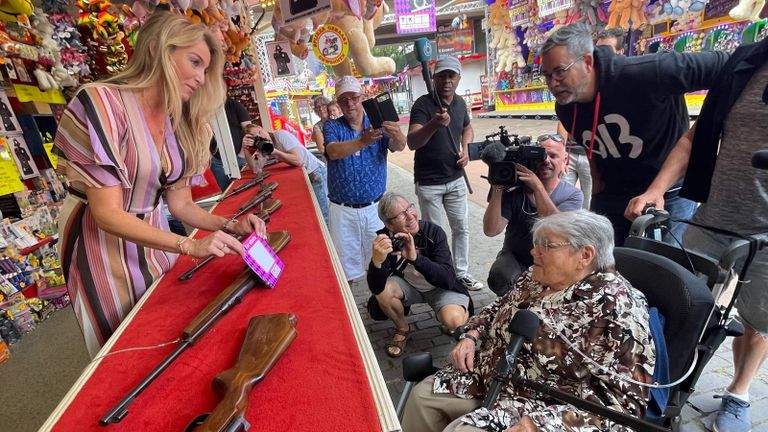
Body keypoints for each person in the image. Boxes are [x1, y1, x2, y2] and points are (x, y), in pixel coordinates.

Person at [55, 12, 266, 357]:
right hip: (99, 243)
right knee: (124, 344)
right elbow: (107, 213)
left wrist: (231, 226)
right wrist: (188, 246)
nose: (200, 78)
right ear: (156, 50)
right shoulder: (100, 102)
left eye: (205, 69)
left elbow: (180, 205)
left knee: (162, 324)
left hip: (153, 232)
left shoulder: (178, 120)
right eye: (195, 62)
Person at [401, 210, 656, 432]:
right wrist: (472, 335)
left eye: (547, 245)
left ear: (585, 255)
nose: (534, 251)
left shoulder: (618, 309)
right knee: (423, 398)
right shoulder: (536, 277)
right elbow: (498, 307)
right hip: (487, 375)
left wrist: (545, 424)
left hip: (541, 404)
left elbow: (625, 410)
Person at [625, 36, 768, 432]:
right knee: (682, 301)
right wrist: (657, 190)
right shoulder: (746, 63)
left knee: (758, 320)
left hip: (767, 233)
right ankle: (661, 383)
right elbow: (694, 138)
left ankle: (738, 392)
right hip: (712, 217)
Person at [540, 23, 727, 244]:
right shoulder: (565, 105)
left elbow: (725, 64)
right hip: (616, 192)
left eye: (560, 71)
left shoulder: (648, 72)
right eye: (546, 75)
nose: (553, 83)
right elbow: (592, 141)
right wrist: (596, 179)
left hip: (667, 192)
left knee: (667, 267)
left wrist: (704, 129)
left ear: (587, 62)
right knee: (607, 260)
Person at [407, 56, 483, 291]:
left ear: (458, 78)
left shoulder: (460, 103)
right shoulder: (422, 104)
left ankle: (460, 273)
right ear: (434, 78)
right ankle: (440, 276)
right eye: (442, 76)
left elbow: (467, 127)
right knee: (434, 233)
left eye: (451, 76)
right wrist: (433, 124)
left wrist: (466, 149)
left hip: (456, 179)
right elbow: (412, 141)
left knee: (461, 227)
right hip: (429, 183)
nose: (447, 81)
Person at [367, 193, 472, 357]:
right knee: (383, 292)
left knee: (454, 322)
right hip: (410, 286)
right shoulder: (386, 241)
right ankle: (402, 328)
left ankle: (465, 319)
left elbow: (448, 278)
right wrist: (376, 263)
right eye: (401, 214)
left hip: (440, 287)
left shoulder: (433, 232)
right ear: (390, 225)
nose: (410, 216)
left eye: (410, 207)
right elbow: (375, 288)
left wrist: (416, 259)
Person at [323, 76, 407, 282]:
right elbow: (332, 152)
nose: (349, 103)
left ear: (362, 97)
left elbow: (399, 146)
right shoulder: (332, 127)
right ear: (338, 103)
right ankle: (348, 310)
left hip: (375, 209)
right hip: (342, 210)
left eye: (353, 97)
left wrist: (396, 134)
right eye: (343, 100)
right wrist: (363, 141)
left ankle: (383, 304)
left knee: (382, 262)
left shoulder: (377, 122)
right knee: (344, 270)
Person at [483, 134, 583, 296]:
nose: (546, 160)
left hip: (553, 260)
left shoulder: (572, 195)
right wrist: (497, 187)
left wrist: (537, 187)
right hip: (517, 257)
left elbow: (557, 230)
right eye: (541, 154)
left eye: (553, 156)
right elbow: (491, 230)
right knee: (500, 276)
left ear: (565, 161)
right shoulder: (515, 189)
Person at [249, 124, 329, 224]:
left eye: (260, 132)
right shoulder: (264, 146)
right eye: (256, 137)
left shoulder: (281, 135)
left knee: (324, 216)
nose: (261, 137)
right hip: (306, 175)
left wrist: (277, 153)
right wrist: (247, 149)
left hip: (315, 172)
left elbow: (299, 160)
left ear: (262, 128)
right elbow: (256, 170)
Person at [209, 96, 251, 192]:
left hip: (238, 156)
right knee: (227, 191)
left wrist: (241, 154)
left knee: (246, 187)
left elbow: (249, 130)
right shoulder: (204, 108)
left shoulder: (233, 105)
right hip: (216, 160)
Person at [556, 121, 591, 209]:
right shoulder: (571, 107)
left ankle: (585, 222)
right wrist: (562, 157)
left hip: (591, 156)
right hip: (569, 154)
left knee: (589, 199)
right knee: (564, 196)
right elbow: (562, 123)